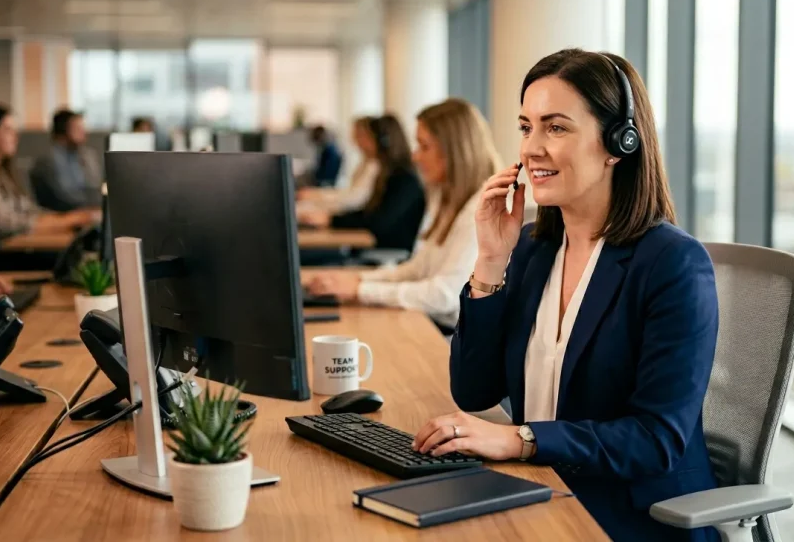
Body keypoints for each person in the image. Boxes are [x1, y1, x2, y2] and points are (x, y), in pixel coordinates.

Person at [411, 49, 720, 541]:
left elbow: (656, 438)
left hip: (626, 516)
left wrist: (523, 439)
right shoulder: (535, 251)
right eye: (526, 126)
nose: (532, 148)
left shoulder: (672, 264)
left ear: (619, 143)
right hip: (540, 490)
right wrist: (491, 262)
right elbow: (473, 390)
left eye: (556, 128)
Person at [306, 99, 501, 331]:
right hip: (432, 322)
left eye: (424, 146)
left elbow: (446, 294)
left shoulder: (482, 208)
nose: (416, 156)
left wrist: (361, 290)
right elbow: (417, 269)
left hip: (450, 335)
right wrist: (359, 281)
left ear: (453, 151)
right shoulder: (448, 198)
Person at [0, 104, 94, 271]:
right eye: (7, 129)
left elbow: (28, 210)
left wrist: (67, 219)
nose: (15, 136)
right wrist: (67, 220)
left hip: (3, 251)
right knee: (65, 263)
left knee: (70, 257)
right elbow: (5, 223)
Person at [298, 115, 425, 252]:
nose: (357, 141)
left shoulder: (404, 179)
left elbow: (376, 222)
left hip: (383, 251)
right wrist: (332, 219)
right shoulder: (386, 172)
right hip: (373, 247)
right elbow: (369, 213)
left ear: (382, 142)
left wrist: (332, 220)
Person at [297, 116, 381, 213]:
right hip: (332, 194)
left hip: (350, 211)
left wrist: (316, 195)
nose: (353, 138)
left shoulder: (374, 164)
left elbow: (354, 199)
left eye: (358, 134)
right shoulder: (365, 162)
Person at [31, 109, 102, 212]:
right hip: (63, 215)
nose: (84, 132)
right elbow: (65, 197)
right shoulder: (49, 160)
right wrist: (97, 204)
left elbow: (96, 185)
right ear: (63, 130)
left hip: (87, 211)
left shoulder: (86, 155)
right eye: (78, 128)